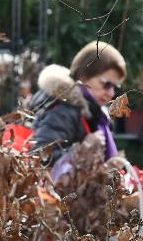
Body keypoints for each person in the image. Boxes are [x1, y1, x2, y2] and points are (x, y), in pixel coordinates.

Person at [29, 40, 128, 177]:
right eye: (106, 84)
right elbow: (39, 158)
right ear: (83, 76)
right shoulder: (63, 109)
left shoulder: (97, 115)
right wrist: (83, 149)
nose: (111, 93)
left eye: (115, 87)